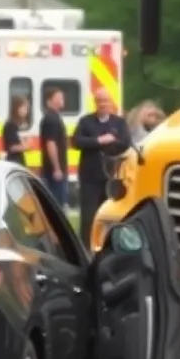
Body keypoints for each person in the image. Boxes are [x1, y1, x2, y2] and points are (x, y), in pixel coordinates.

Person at [73, 88, 131, 244]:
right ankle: (86, 245)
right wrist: (98, 141)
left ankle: (110, 243)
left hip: (112, 176)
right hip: (89, 176)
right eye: (99, 101)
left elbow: (125, 143)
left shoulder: (119, 123)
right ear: (95, 103)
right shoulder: (85, 122)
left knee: (112, 213)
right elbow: (76, 141)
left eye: (105, 101)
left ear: (111, 102)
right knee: (88, 215)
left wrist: (111, 142)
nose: (103, 104)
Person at [38, 87, 68, 204]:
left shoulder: (53, 117)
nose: (62, 99)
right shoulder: (52, 119)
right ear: (49, 102)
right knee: (57, 204)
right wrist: (57, 168)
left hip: (52, 170)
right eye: (58, 97)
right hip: (54, 171)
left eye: (62, 97)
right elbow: (50, 144)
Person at [3, 95, 33, 166]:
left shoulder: (19, 125)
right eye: (25, 108)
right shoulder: (11, 125)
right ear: (18, 108)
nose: (26, 111)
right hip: (14, 161)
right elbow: (12, 147)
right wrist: (26, 146)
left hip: (19, 159)